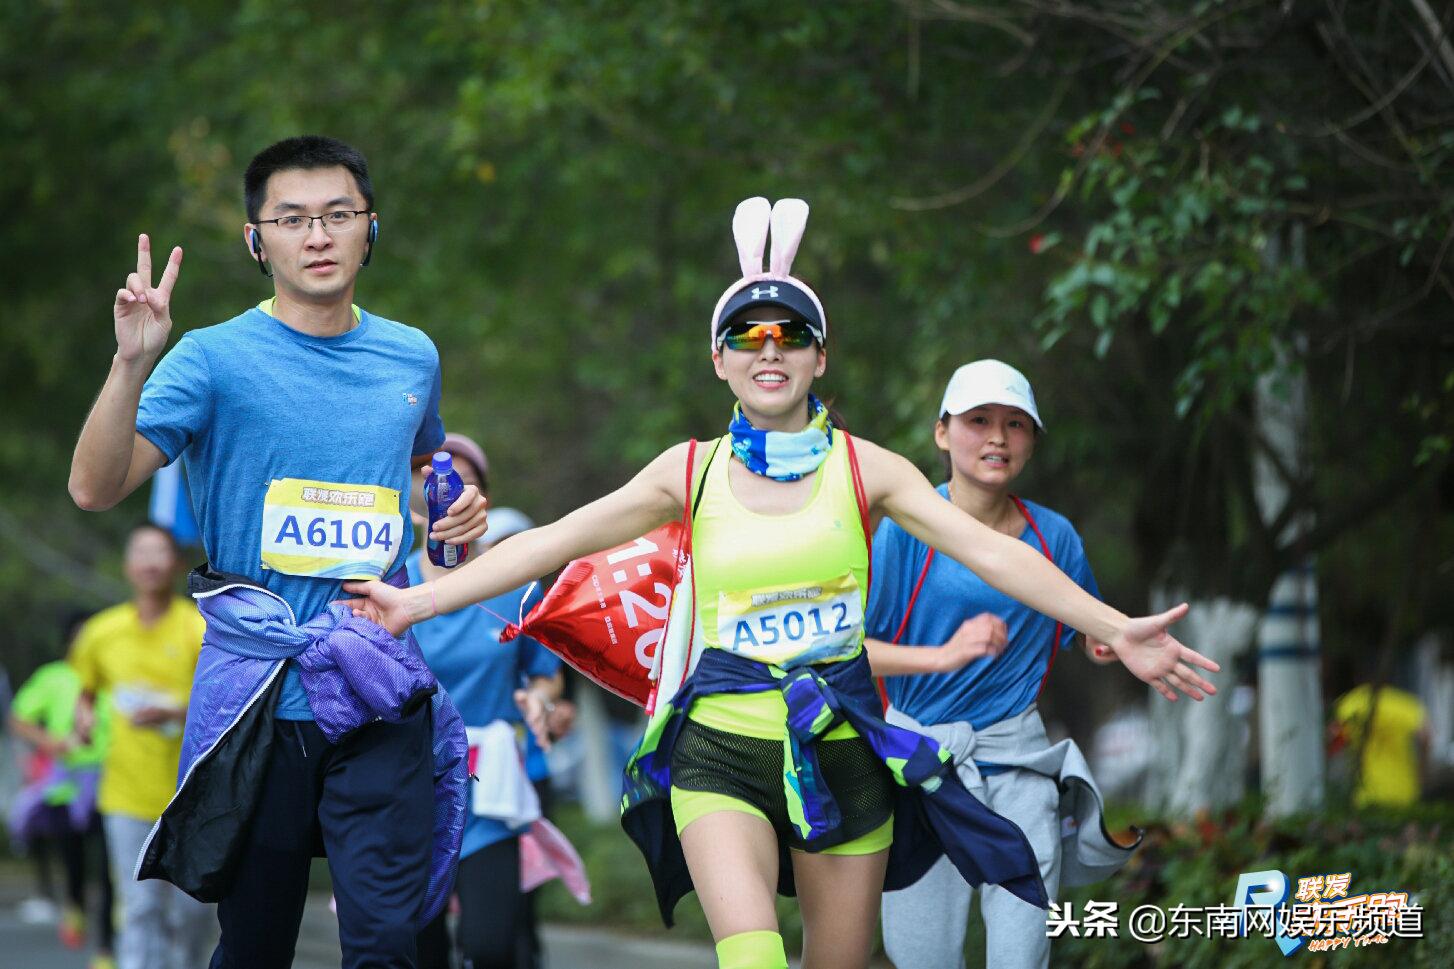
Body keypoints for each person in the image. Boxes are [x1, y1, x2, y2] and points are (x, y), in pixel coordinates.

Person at [341, 197, 1220, 969]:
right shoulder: (686, 470)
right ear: (718, 359)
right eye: (747, 336)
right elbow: (550, 545)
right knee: (753, 953)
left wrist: (1119, 624)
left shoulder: (866, 468)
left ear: (820, 358)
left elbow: (997, 554)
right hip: (719, 746)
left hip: (843, 745)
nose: (770, 348)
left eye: (791, 333)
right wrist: (415, 600)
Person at [67, 135, 487, 969]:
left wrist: (457, 514)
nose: (319, 235)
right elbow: (94, 486)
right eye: (292, 219)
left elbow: (419, 469)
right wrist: (129, 363)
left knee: (387, 944)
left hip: (376, 687)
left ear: (372, 228)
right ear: (258, 240)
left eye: (339, 215)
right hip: (260, 700)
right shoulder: (213, 359)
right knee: (256, 946)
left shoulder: (412, 354)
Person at [867, 360, 1154, 969]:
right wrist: (943, 656)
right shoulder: (901, 533)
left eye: (1015, 424)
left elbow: (1086, 629)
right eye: (979, 421)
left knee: (1023, 952)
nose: (998, 438)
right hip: (921, 764)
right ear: (942, 433)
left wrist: (1098, 644)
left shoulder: (1056, 537)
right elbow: (850, 652)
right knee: (922, 956)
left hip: (1019, 760)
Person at [410, 434, 564, 969]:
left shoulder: (516, 589)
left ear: (482, 504)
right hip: (409, 783)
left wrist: (540, 702)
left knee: (492, 946)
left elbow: (545, 677)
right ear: (411, 499)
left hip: (488, 787)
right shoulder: (387, 584)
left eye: (461, 481)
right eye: (426, 477)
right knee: (418, 948)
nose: (444, 489)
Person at [70, 525, 208, 969]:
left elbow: (224, 699)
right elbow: (83, 692)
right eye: (140, 553)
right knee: (140, 908)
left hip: (191, 795)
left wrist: (171, 713)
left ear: (175, 564)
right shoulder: (101, 632)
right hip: (125, 794)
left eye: (159, 553)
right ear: (128, 566)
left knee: (191, 912)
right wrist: (84, 716)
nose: (149, 562)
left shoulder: (199, 626)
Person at [7, 611, 115, 967]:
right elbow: (18, 717)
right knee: (73, 856)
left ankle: (105, 948)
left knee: (108, 862)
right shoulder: (53, 677)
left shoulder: (114, 675)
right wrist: (51, 743)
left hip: (113, 781)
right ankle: (75, 904)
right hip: (67, 783)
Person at [1332, 681, 1429, 808]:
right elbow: (1426, 737)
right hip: (1403, 788)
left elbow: (1335, 742)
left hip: (1366, 792)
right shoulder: (1404, 703)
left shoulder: (1350, 703)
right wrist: (1421, 773)